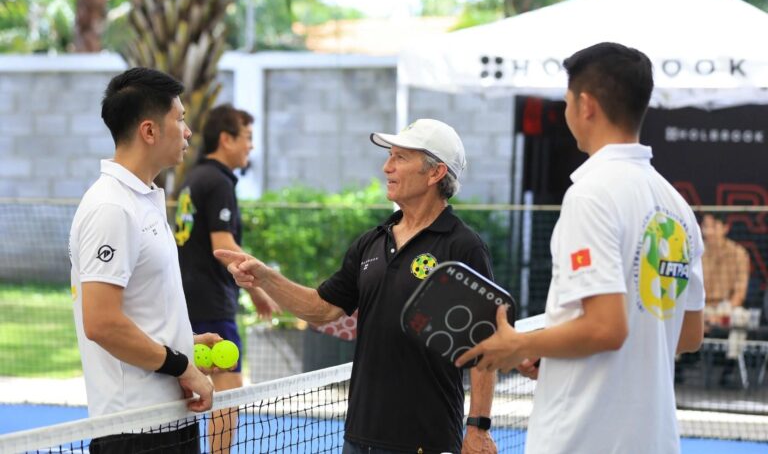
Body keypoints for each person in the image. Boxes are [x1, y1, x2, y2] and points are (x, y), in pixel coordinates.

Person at [456, 42, 706, 454]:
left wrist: (521, 345)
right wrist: (556, 349)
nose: (566, 110)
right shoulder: (677, 206)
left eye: (567, 100)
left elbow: (607, 328)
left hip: (585, 437)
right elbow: (689, 335)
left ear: (586, 105)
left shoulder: (591, 195)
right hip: (653, 440)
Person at [216, 119, 498, 453]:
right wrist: (266, 278)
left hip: (427, 438)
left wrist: (478, 427)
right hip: (359, 436)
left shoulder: (463, 246)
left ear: (435, 173)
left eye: (400, 158)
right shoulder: (372, 242)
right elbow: (322, 309)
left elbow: (486, 344)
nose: (386, 167)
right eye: (389, 156)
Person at [69, 67, 215, 453]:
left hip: (169, 422)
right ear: (149, 131)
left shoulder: (143, 199)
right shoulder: (111, 208)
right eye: (179, 119)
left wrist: (184, 342)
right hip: (135, 431)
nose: (187, 131)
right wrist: (181, 365)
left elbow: (136, 311)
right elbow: (102, 322)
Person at [175, 104, 279, 452]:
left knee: (186, 391)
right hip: (212, 305)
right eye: (247, 137)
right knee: (229, 392)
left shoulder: (193, 178)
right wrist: (260, 288)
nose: (251, 145)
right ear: (226, 139)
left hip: (186, 301)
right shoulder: (218, 182)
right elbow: (224, 247)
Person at [701, 213, 750, 309]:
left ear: (725, 228)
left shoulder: (739, 254)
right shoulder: (696, 252)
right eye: (705, 226)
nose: (708, 232)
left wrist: (724, 310)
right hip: (700, 307)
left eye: (713, 226)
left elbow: (740, 293)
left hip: (728, 307)